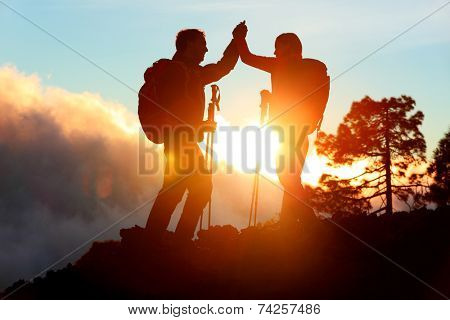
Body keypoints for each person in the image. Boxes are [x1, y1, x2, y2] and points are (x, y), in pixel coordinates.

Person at [144, 27, 239, 242]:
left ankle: (156, 239)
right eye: (201, 44)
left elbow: (223, 67)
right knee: (195, 189)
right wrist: (200, 127)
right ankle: (174, 240)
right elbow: (177, 112)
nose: (206, 49)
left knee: (176, 189)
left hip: (180, 140)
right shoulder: (178, 73)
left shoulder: (189, 72)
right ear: (188, 45)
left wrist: (236, 41)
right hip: (180, 141)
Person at [233, 22, 329, 229]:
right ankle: (287, 226)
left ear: (288, 48)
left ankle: (311, 223)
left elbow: (247, 58)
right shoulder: (312, 69)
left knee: (287, 178)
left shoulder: (279, 65)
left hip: (286, 133)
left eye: (278, 47)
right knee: (291, 179)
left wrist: (239, 37)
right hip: (303, 133)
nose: (274, 51)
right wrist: (271, 97)